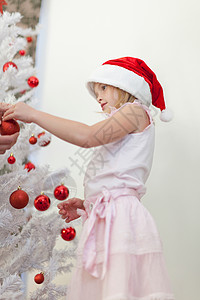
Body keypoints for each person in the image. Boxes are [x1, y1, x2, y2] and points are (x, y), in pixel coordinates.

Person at [1, 57, 175, 300]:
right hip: (107, 214)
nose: (99, 96)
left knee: (119, 290)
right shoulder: (126, 120)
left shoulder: (135, 111)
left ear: (127, 86)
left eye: (104, 87)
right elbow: (116, 175)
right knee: (106, 289)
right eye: (96, 91)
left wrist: (34, 115)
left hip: (122, 216)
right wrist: (87, 204)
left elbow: (88, 137)